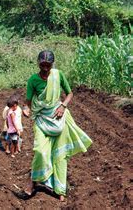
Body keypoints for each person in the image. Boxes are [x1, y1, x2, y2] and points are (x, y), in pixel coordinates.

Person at [23, 50, 92, 201]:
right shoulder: (33, 80)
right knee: (41, 151)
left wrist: (63, 106)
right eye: (43, 65)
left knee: (60, 156)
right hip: (42, 119)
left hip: (59, 118)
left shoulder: (58, 75)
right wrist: (26, 109)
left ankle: (60, 189)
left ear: (52, 64)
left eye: (48, 65)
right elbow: (28, 102)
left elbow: (69, 93)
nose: (45, 68)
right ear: (38, 63)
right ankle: (32, 180)